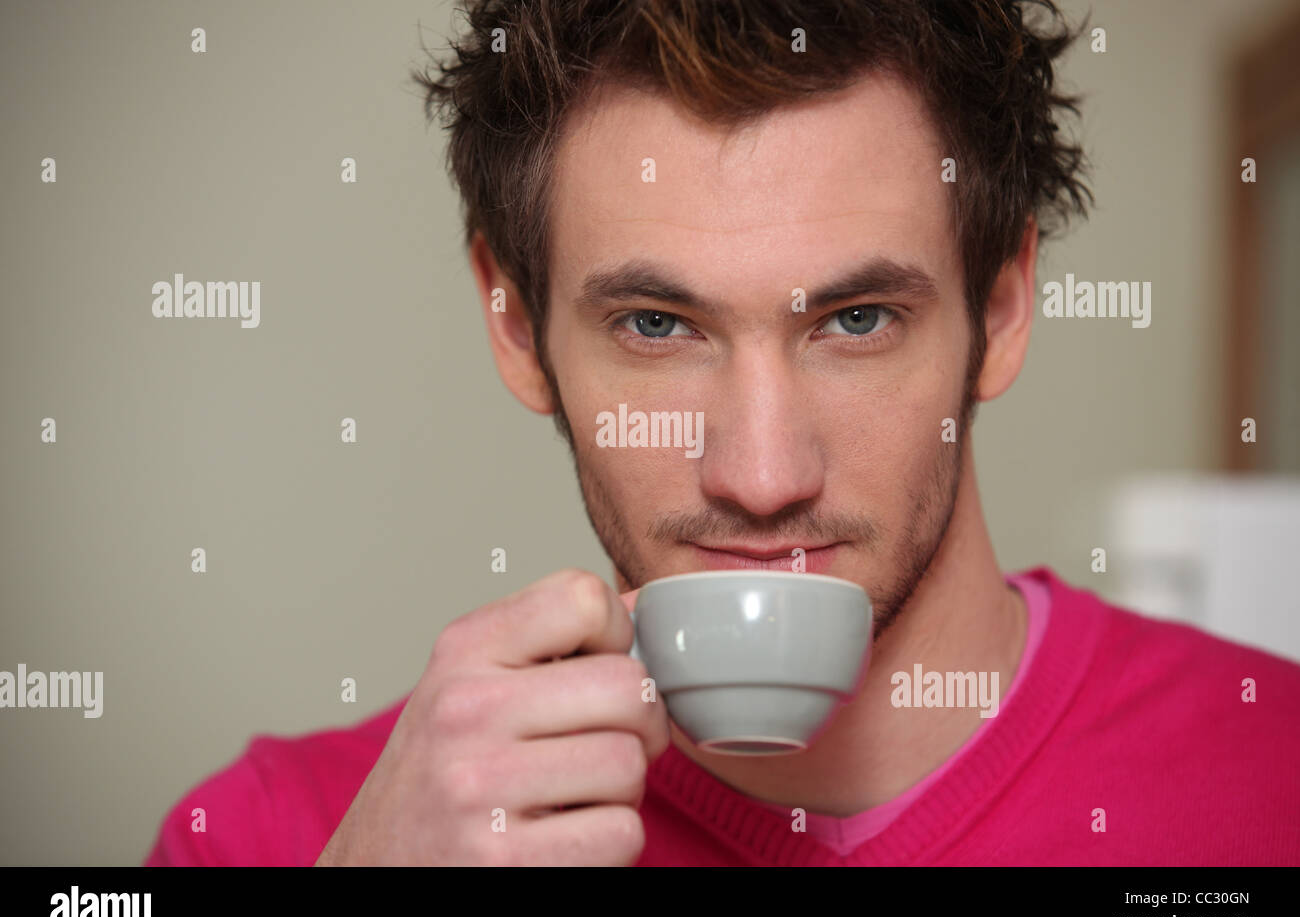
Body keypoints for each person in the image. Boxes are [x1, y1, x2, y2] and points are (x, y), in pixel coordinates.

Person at [145, 0, 1300, 866]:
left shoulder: (1274, 782)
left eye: (856, 320)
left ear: (1001, 304)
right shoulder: (267, 837)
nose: (760, 475)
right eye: (657, 323)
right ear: (512, 322)